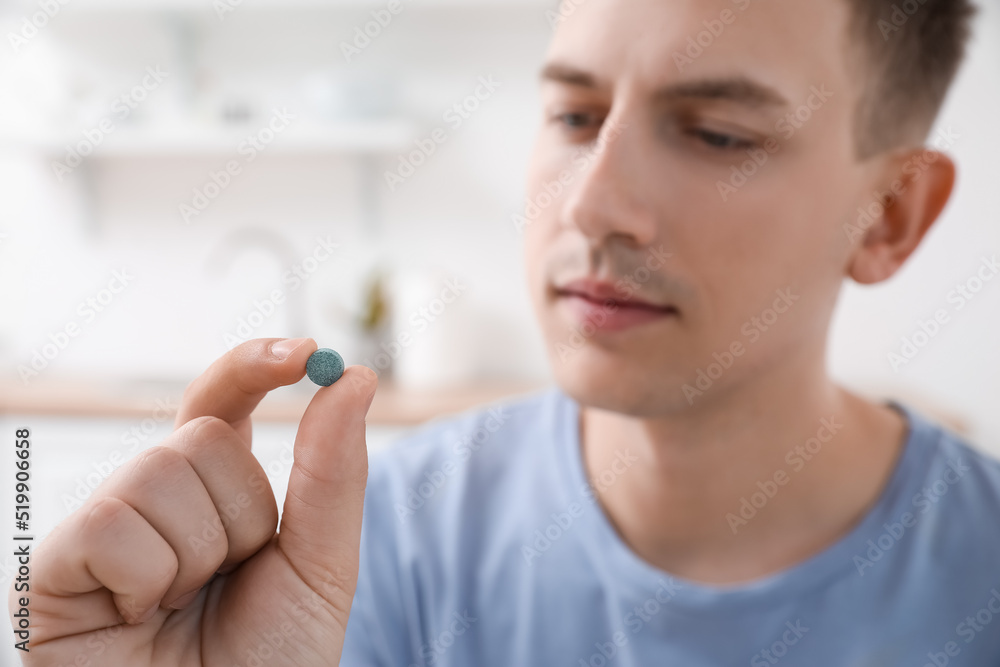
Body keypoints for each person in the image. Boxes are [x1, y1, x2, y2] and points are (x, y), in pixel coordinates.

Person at [10, 0, 999, 664]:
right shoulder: (368, 542)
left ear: (888, 216)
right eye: (574, 115)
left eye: (717, 135)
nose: (596, 205)